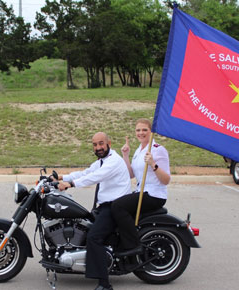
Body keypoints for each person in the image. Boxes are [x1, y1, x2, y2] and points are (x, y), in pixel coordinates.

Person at [57, 132, 131, 290]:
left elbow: (95, 177)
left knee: (94, 238)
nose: (98, 147)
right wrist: (61, 177)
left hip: (113, 206)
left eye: (101, 144)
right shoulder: (102, 161)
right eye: (95, 144)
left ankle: (104, 284)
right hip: (104, 205)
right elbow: (86, 173)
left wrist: (70, 184)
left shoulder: (114, 161)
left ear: (108, 143)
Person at [111, 118, 170, 257]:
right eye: (138, 130)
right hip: (141, 191)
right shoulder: (139, 150)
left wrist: (153, 164)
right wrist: (126, 155)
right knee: (115, 202)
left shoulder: (158, 150)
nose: (141, 133)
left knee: (118, 206)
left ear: (151, 132)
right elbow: (131, 174)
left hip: (154, 194)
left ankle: (132, 245)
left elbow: (166, 180)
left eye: (144, 130)